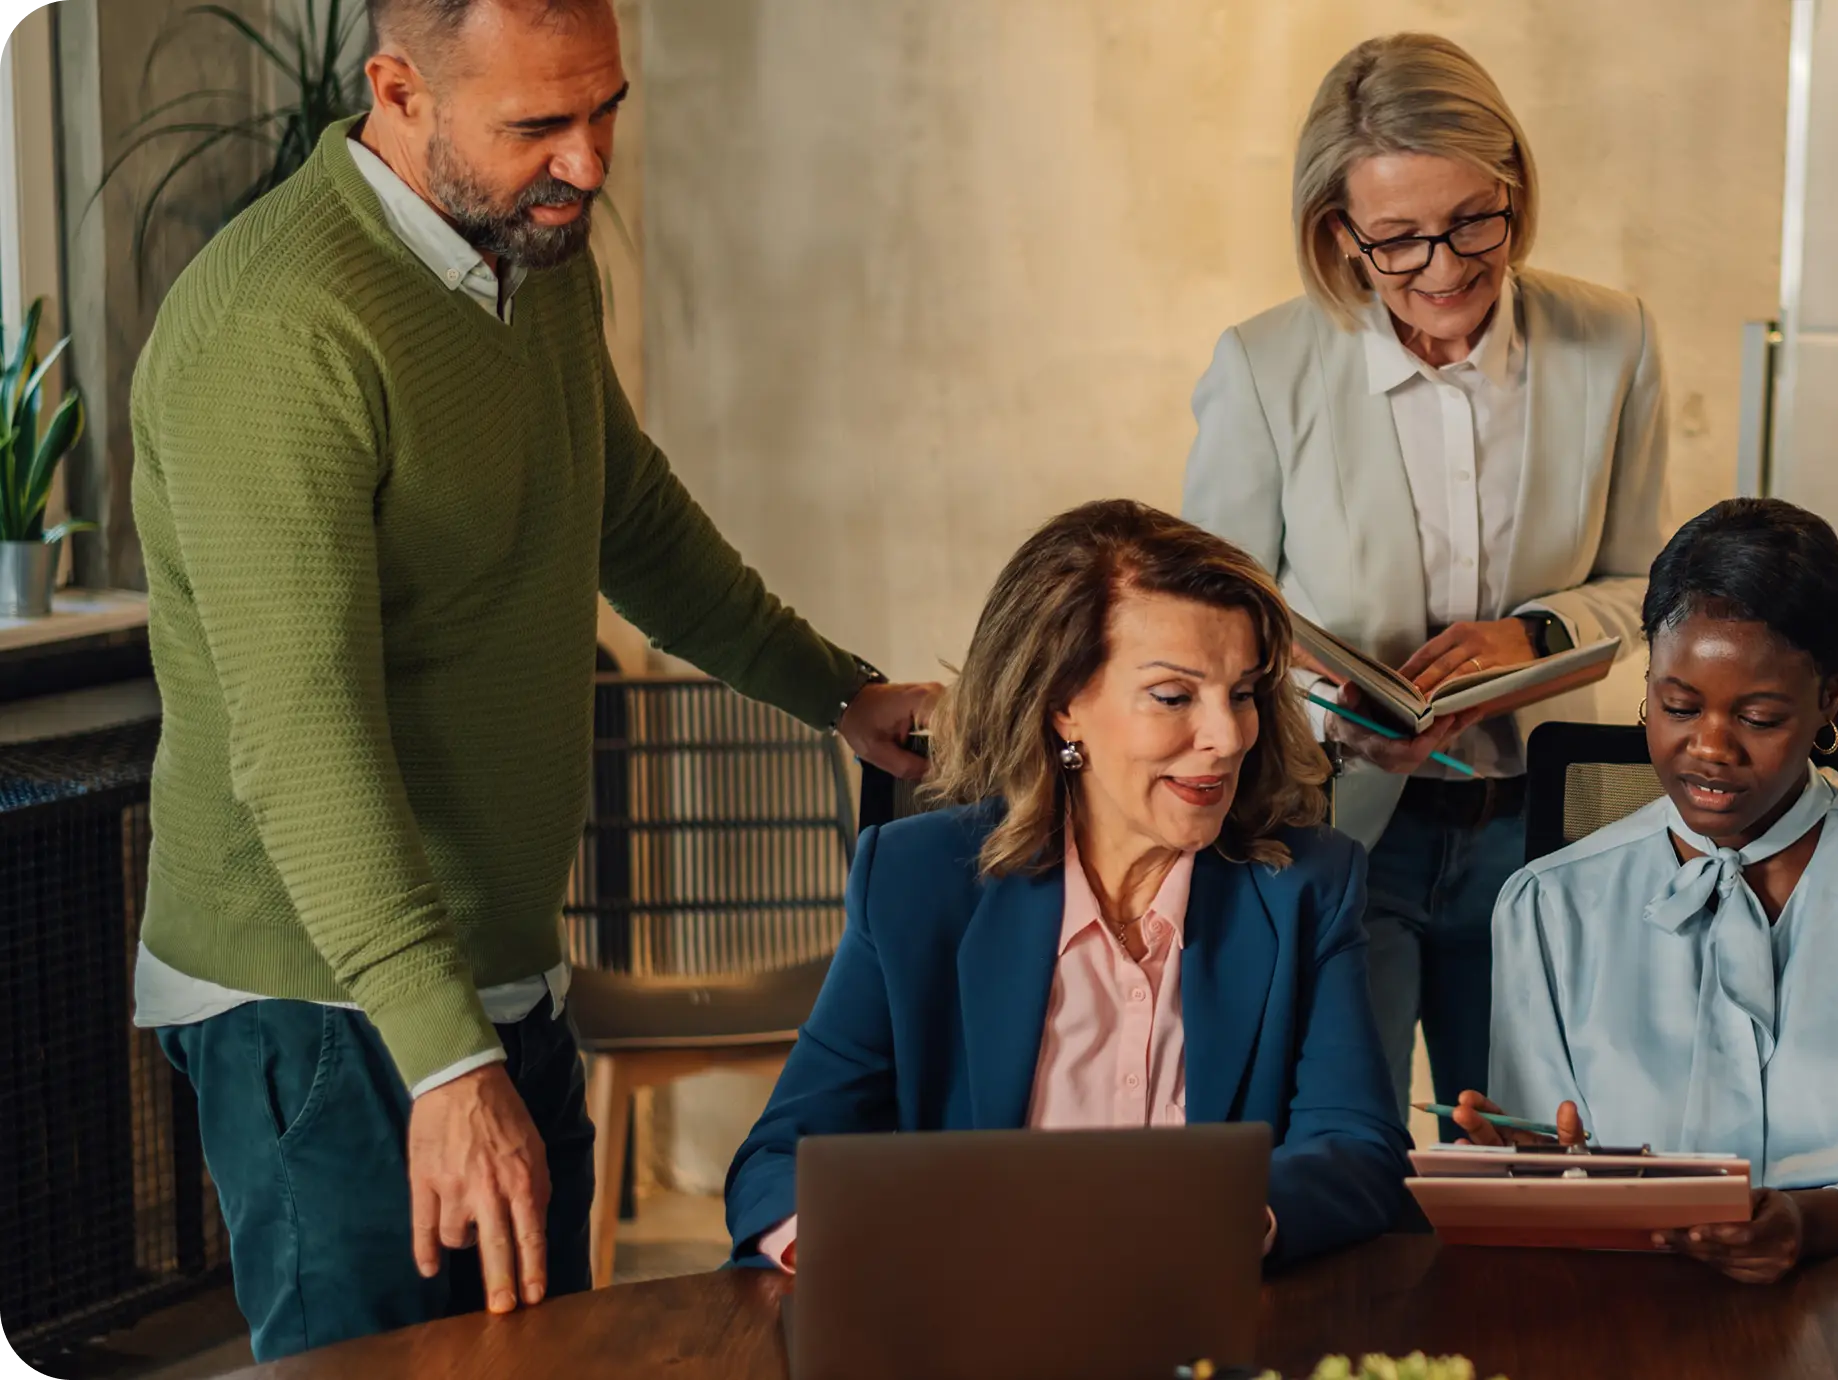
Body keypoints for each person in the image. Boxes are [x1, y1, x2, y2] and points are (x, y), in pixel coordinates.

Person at [126, 0, 936, 1359]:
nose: (589, 162)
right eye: (537, 125)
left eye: (605, 107)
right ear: (396, 90)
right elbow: (303, 739)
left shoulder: (530, 253)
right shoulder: (275, 330)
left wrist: (837, 690)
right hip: (320, 1003)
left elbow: (624, 514)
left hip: (494, 965)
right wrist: (447, 1061)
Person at [1183, 33, 1671, 1132]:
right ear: (1338, 235)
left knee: (1526, 1149)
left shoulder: (1612, 340)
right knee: (1350, 1151)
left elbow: (1646, 578)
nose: (1444, 269)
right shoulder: (1265, 366)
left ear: (1513, 192)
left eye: (1472, 223)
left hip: (1539, 823)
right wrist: (1339, 710)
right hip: (1342, 821)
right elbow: (1208, 620)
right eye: (1398, 240)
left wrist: (1539, 635)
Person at [724, 501, 1410, 1270]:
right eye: (1175, 696)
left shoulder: (1307, 886)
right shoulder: (916, 883)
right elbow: (778, 1160)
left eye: (1242, 692)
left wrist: (1224, 1223)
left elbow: (1356, 1149)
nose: (1226, 738)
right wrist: (858, 1257)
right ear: (1063, 707)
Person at [1453, 498, 1838, 1282]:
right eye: (1677, 706)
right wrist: (1528, 1176)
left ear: (1833, 694)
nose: (1709, 749)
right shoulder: (1549, 907)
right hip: (1631, 1307)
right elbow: (1552, 1159)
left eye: (1758, 716)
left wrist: (1817, 1220)